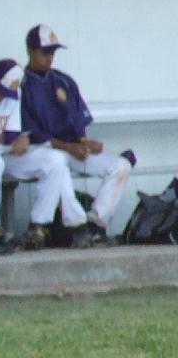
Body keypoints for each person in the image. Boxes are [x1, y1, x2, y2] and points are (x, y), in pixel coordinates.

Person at [0, 58, 92, 253]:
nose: (2, 98)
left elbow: (11, 133)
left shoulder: (13, 94)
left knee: (55, 159)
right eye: (0, 91)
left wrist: (16, 138)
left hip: (3, 155)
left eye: (7, 94)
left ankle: (38, 226)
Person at [21, 24, 133, 242]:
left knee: (121, 166)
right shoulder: (21, 85)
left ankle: (94, 225)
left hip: (73, 149)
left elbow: (78, 122)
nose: (50, 57)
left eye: (53, 52)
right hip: (46, 151)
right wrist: (68, 146)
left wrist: (86, 142)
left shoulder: (63, 80)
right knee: (56, 162)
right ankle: (75, 226)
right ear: (30, 51)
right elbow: (31, 135)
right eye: (45, 52)